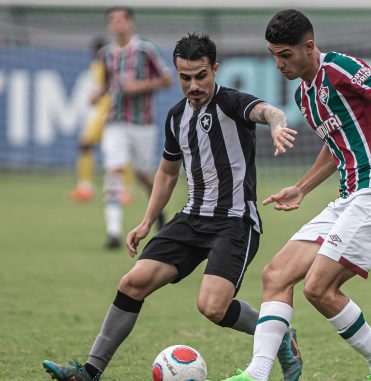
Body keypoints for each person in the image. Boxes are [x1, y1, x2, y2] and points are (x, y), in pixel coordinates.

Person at [42, 33, 302, 381]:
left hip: (234, 222)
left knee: (212, 307)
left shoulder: (230, 103)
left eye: (200, 76)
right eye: (185, 77)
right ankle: (90, 371)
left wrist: (277, 123)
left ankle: (280, 335)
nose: (193, 85)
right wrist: (147, 220)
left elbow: (266, 110)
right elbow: (166, 172)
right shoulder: (176, 116)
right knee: (133, 282)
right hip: (191, 219)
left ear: (215, 70)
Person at [219, 9, 371, 381]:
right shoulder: (304, 94)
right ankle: (257, 373)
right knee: (276, 275)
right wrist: (301, 187)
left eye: (285, 54)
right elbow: (334, 147)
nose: (278, 63)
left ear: (309, 46)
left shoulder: (337, 68)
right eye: (273, 54)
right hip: (349, 196)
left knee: (319, 287)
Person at [96, 6, 174, 249]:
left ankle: (159, 208)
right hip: (115, 122)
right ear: (109, 25)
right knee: (114, 169)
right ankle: (113, 231)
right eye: (113, 20)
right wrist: (97, 95)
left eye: (122, 20)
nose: (118, 24)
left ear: (131, 23)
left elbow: (167, 79)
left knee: (143, 174)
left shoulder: (145, 49)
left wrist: (139, 86)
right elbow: (109, 83)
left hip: (142, 123)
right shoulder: (106, 53)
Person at [69, 37, 134, 205]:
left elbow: (113, 85)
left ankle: (124, 190)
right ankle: (86, 187)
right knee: (87, 144)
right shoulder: (96, 65)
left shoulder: (110, 64)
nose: (97, 55)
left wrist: (99, 97)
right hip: (100, 111)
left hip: (110, 110)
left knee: (114, 149)